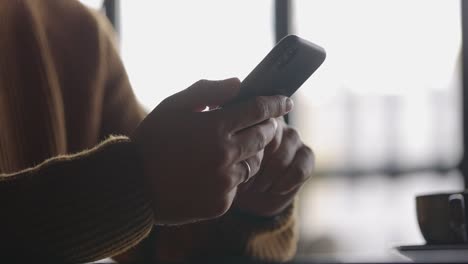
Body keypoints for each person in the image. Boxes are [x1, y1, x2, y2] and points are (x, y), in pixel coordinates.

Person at [0, 0, 315, 262]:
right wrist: (137, 182)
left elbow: (163, 243)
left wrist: (245, 211)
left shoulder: (78, 33)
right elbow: (147, 180)